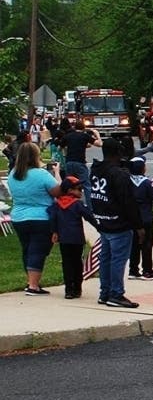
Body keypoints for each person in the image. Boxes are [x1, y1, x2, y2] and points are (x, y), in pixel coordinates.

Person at [90, 138, 144, 308]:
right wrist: (138, 226)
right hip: (119, 224)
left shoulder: (95, 170)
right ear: (118, 153)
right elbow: (128, 202)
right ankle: (116, 294)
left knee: (105, 259)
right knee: (118, 261)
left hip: (103, 221)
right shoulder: (119, 174)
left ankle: (104, 293)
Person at [7, 142, 62, 295]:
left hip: (19, 217)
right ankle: (33, 286)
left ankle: (31, 281)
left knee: (27, 249)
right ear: (36, 156)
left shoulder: (13, 174)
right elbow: (57, 192)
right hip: (41, 217)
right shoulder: (41, 174)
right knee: (38, 250)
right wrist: (57, 173)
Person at [48, 175, 97, 299]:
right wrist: (100, 227)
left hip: (64, 239)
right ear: (70, 190)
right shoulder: (77, 204)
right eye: (79, 189)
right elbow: (89, 217)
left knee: (67, 263)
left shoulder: (58, 204)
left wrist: (54, 232)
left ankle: (68, 290)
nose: (81, 191)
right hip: (77, 239)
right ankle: (77, 288)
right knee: (77, 263)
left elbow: (52, 217)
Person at [127, 157, 153, 280]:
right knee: (147, 244)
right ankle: (147, 270)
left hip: (131, 218)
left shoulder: (127, 181)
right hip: (146, 217)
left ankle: (133, 270)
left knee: (134, 244)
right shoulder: (147, 183)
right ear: (142, 168)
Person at [63, 120, 102, 208]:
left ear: (74, 127)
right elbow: (99, 144)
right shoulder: (85, 136)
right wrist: (97, 134)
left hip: (69, 162)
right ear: (83, 128)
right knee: (86, 185)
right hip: (80, 162)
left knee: (69, 184)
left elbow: (61, 146)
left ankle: (67, 205)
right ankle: (91, 207)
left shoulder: (68, 136)